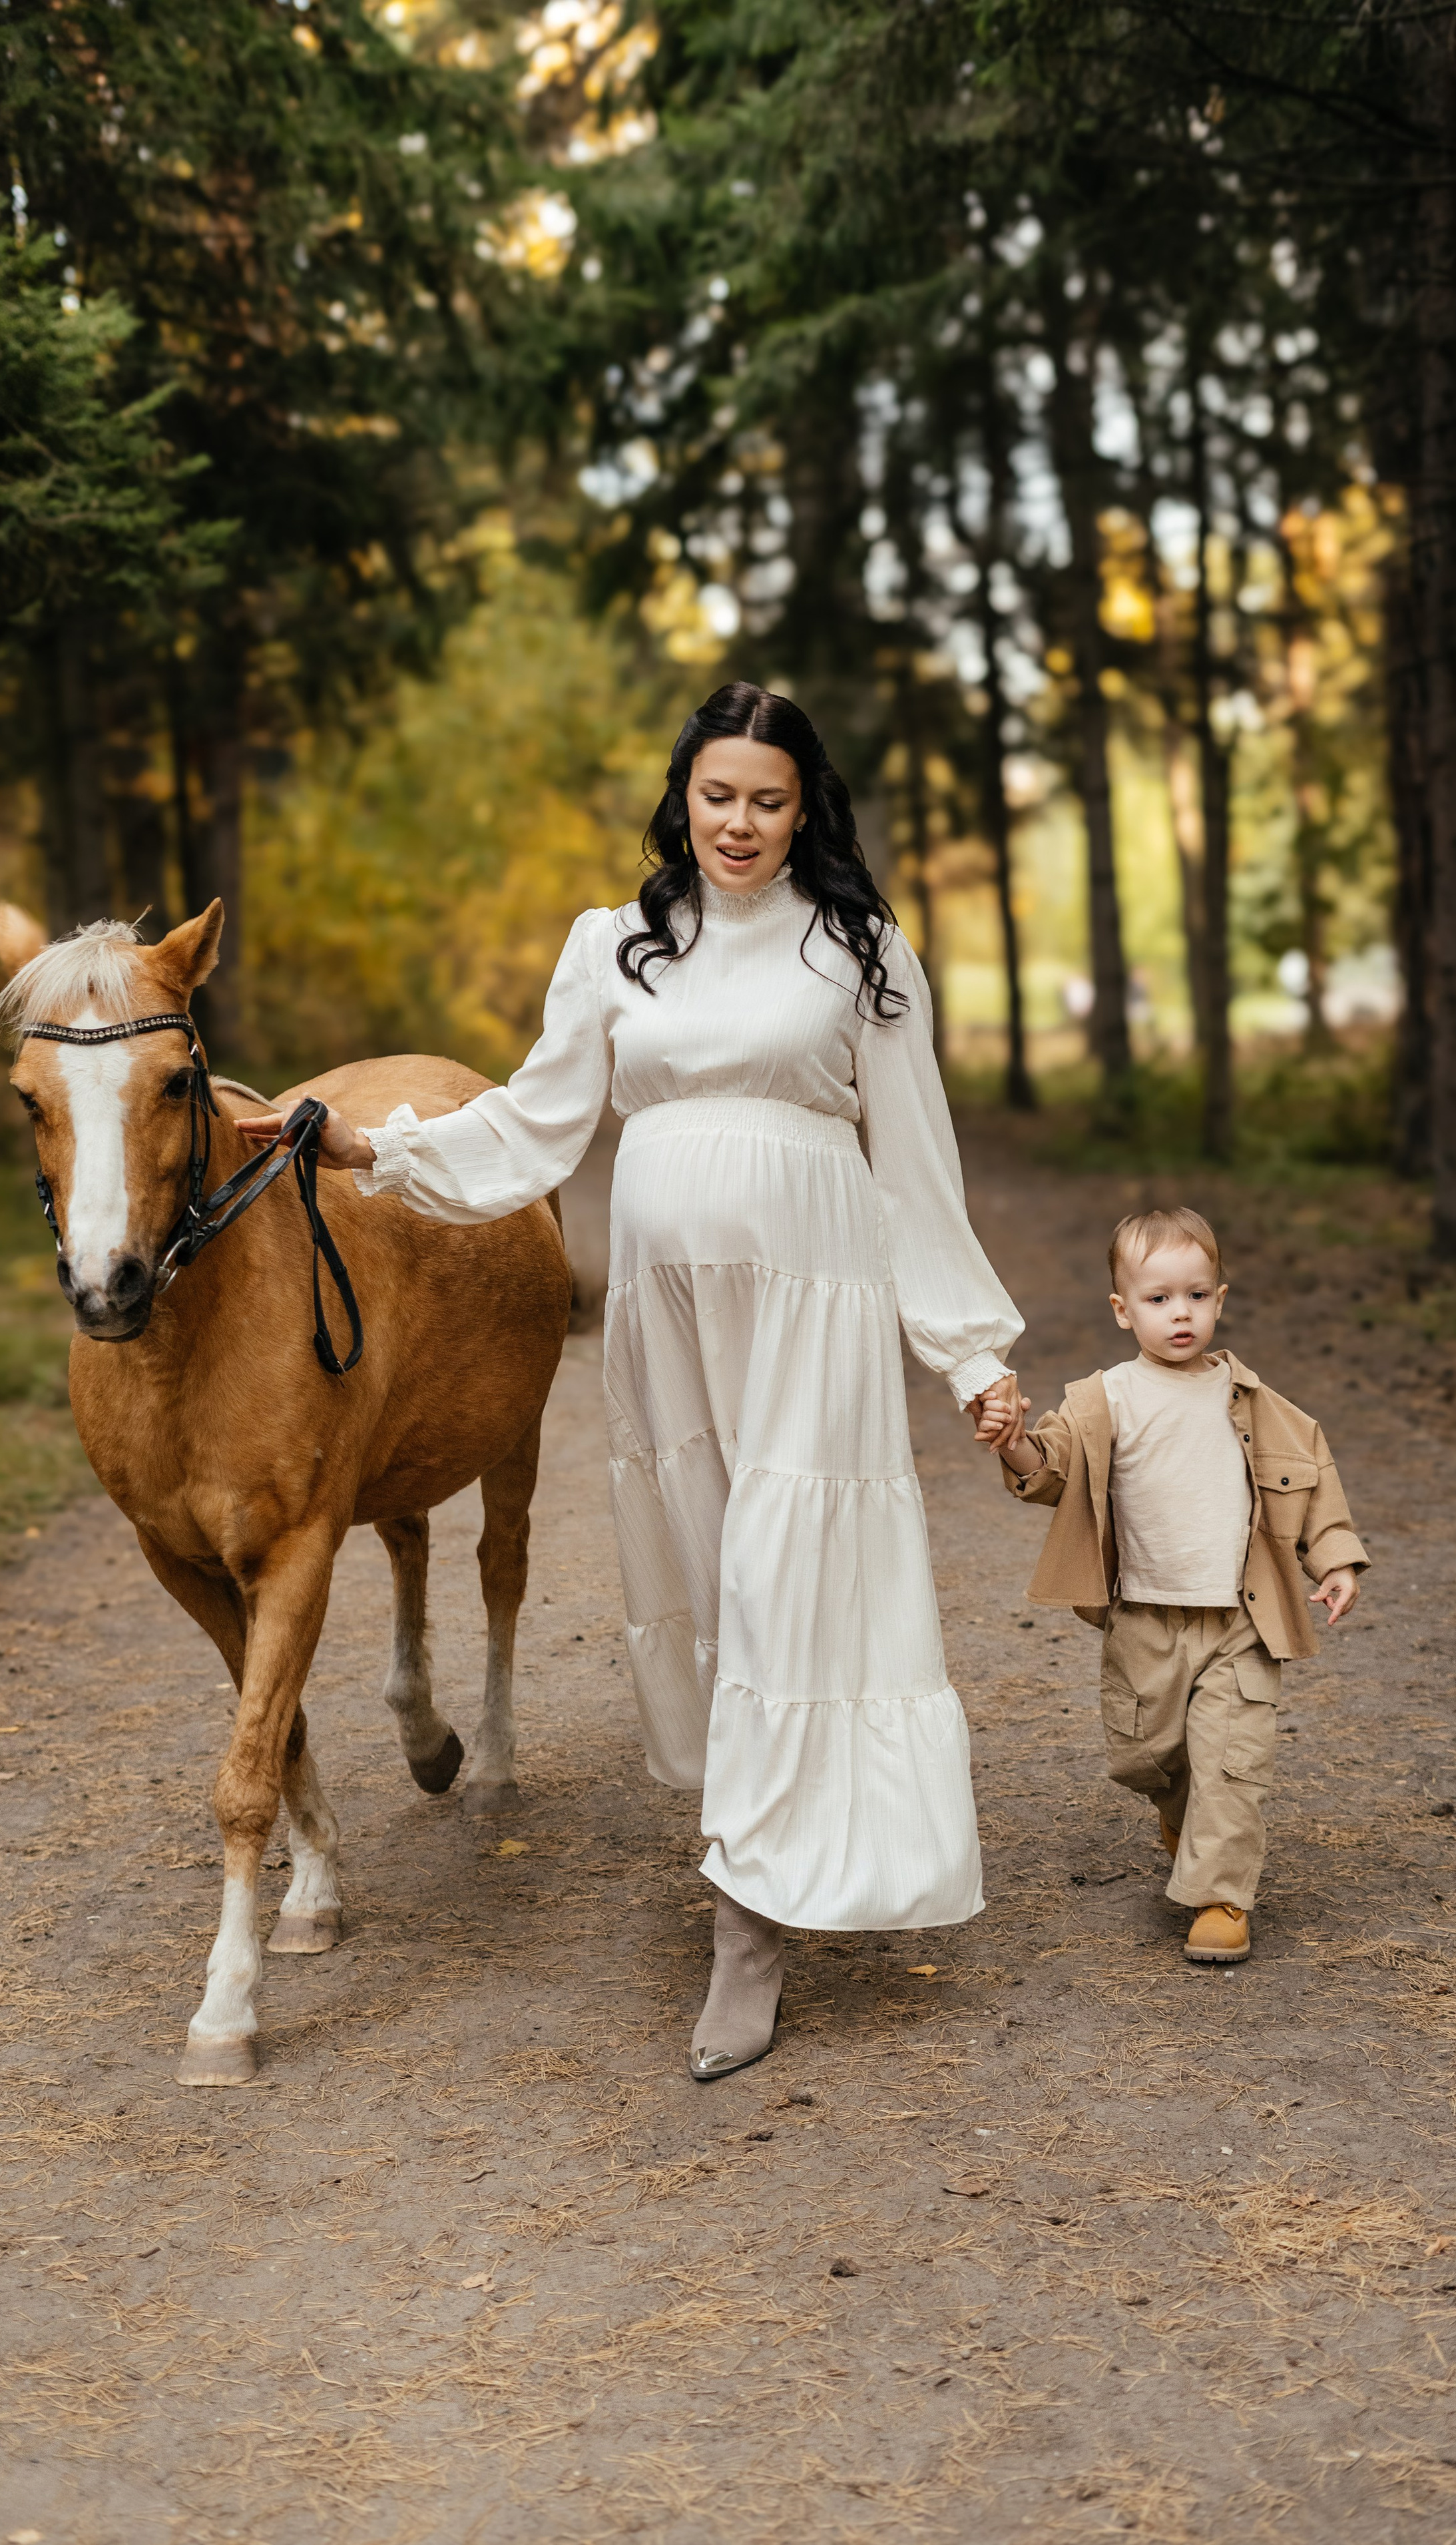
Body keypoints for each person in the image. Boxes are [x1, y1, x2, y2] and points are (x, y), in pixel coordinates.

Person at [238, 683, 1024, 2076]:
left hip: (813, 1298)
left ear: (803, 810)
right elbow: (532, 1125)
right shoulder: (619, 948)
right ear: (684, 798)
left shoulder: (857, 949)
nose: (739, 823)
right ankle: (755, 1847)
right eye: (717, 795)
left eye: (768, 800)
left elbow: (914, 1168)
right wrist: (368, 1146)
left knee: (792, 1571)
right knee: (714, 1577)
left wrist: (969, 1359)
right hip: (666, 1314)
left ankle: (747, 1925)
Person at [981, 1207, 1366, 1965]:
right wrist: (1017, 1440)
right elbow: (1049, 1471)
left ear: (1219, 1301)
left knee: (1231, 1758)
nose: (1179, 1313)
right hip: (1144, 1618)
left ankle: (1221, 1897)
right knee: (1145, 1754)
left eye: (1195, 1295)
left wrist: (1335, 1560)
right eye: (1158, 1299)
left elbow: (1312, 1483)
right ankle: (1183, 1819)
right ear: (1124, 1311)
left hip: (1239, 1619)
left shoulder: (1257, 1404)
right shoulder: (1106, 1399)